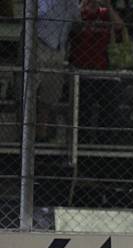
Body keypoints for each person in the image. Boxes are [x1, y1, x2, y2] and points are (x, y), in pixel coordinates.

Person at [70, 0, 124, 144]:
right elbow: (74, 27)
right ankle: (83, 142)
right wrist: (83, 6)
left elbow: (119, 27)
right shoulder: (79, 13)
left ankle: (105, 144)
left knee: (110, 110)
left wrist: (107, 5)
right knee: (83, 109)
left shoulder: (105, 14)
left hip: (106, 71)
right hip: (83, 71)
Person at [32, 0, 81, 142]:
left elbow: (77, 24)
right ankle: (25, 131)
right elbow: (38, 15)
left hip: (59, 48)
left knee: (50, 93)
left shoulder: (73, 4)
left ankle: (41, 132)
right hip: (39, 42)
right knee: (30, 90)